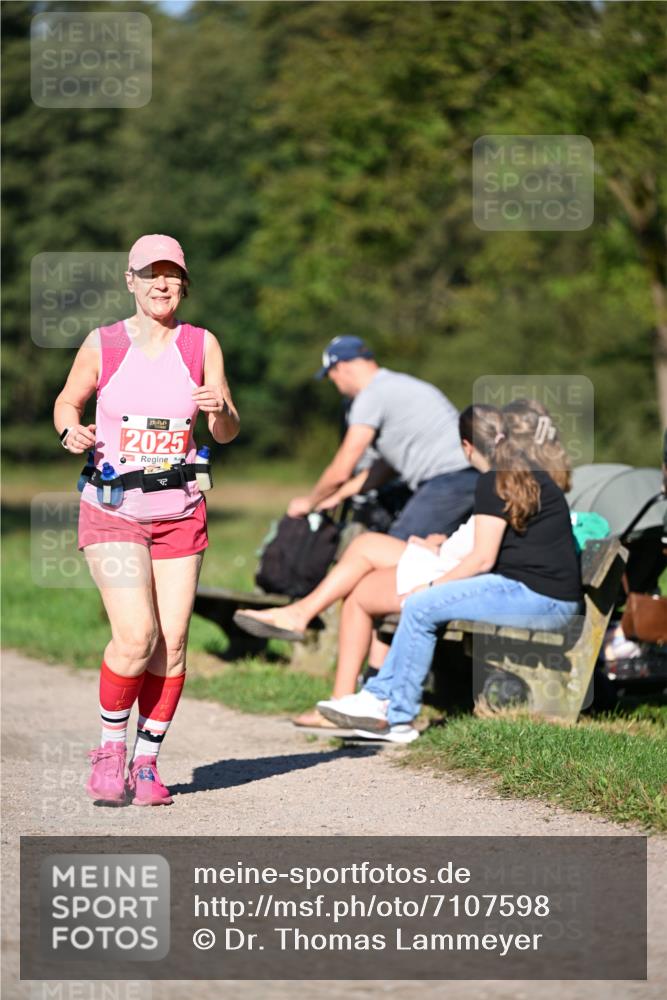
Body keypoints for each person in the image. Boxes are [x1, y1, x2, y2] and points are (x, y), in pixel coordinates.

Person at [236, 398, 573, 728]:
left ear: (467, 446)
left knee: (411, 601)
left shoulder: (498, 480)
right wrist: (439, 546)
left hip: (533, 596)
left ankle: (391, 712)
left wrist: (431, 587)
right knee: (372, 562)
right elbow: (497, 541)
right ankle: (374, 696)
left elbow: (484, 557)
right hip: (526, 588)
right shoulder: (516, 475)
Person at [54, 234, 239, 805]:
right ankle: (109, 751)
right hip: (113, 509)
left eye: (173, 275)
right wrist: (70, 430)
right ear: (130, 281)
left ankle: (148, 762)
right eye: (150, 274)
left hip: (180, 510)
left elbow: (226, 430)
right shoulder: (103, 343)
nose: (163, 284)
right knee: (137, 636)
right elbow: (67, 402)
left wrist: (221, 412)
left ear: (184, 283)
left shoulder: (201, 344)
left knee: (174, 643)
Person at [286, 335, 478, 539]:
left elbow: (342, 467)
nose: (335, 383)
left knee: (394, 550)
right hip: (472, 475)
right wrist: (339, 495)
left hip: (448, 480)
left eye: (331, 376)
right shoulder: (400, 384)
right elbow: (384, 469)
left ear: (341, 367)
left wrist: (309, 502)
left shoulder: (370, 395)